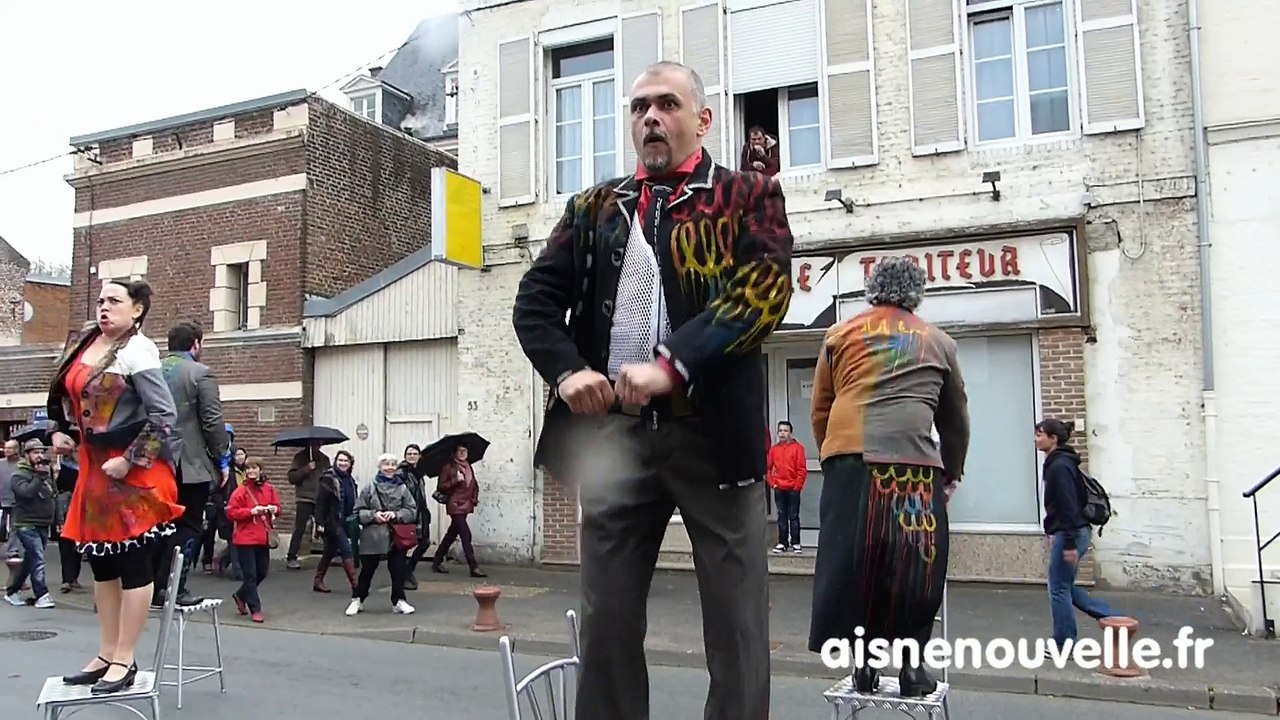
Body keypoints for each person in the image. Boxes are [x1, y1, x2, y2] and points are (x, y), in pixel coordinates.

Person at [512, 60, 793, 720]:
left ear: (702, 119)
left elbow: (764, 294)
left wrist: (675, 364)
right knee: (606, 622)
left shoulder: (748, 196)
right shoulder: (593, 207)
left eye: (666, 104)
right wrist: (566, 369)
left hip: (714, 439)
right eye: (638, 107)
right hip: (617, 439)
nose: (649, 117)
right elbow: (535, 303)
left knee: (736, 629)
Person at [807, 256, 969, 697]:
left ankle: (863, 665)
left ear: (872, 290)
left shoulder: (839, 334)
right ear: (916, 294)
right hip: (913, 467)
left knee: (857, 566)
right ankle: (913, 670)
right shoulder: (938, 342)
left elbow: (821, 408)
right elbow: (955, 420)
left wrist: (833, 457)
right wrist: (951, 472)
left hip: (850, 461)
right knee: (915, 569)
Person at [46, 279, 186, 695]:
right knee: (101, 564)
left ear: (138, 309)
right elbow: (66, 400)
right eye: (101, 300)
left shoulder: (137, 350)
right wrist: (59, 430)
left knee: (132, 566)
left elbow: (165, 416)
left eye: (114, 301)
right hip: (93, 471)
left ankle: (125, 657)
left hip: (132, 475)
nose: (104, 307)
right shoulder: (86, 343)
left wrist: (130, 459)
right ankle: (107, 652)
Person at [155, 321, 230, 607]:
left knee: (157, 525)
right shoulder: (201, 373)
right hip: (188, 464)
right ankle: (174, 588)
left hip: (152, 462)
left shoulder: (151, 370)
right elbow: (213, 422)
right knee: (188, 526)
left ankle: (149, 585)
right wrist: (222, 459)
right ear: (196, 344)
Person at [1035, 418, 1121, 652]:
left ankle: (1065, 643)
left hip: (1071, 532)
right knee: (1064, 585)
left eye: (1040, 434)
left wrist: (1069, 543)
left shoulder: (1060, 466)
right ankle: (1113, 617)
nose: (1036, 438)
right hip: (1068, 531)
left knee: (1058, 588)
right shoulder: (1060, 462)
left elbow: (1069, 506)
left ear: (1053, 439)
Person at [345, 453, 417, 617]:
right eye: (386, 464)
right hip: (373, 536)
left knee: (398, 569)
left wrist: (396, 515)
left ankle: (399, 601)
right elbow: (357, 513)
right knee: (367, 570)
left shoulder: (403, 488)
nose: (390, 467)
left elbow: (412, 511)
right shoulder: (369, 487)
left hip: (396, 536)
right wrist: (373, 515)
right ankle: (357, 599)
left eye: (393, 464)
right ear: (380, 467)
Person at [3, 439, 58, 608]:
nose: (39, 456)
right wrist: (38, 477)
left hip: (43, 522)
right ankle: (42, 595)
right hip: (26, 523)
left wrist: (59, 520)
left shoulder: (44, 473)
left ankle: (13, 591)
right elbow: (26, 493)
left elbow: (53, 496)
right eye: (35, 452)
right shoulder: (19, 474)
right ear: (26, 455)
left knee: (30, 560)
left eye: (41, 452)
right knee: (38, 558)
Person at [225, 458, 279, 624]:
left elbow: (278, 506)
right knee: (250, 575)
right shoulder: (241, 491)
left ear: (260, 469)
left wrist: (274, 509)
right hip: (245, 538)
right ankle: (255, 609)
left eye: (254, 468)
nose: (251, 471)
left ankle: (241, 595)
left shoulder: (269, 489)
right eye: (248, 469)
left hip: (263, 537)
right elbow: (231, 512)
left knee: (262, 572)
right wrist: (251, 511)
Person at [429, 443, 485, 578]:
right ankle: (474, 567)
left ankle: (436, 561)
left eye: (464, 451)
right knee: (466, 535)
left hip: (466, 504)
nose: (462, 453)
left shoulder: (468, 466)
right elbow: (441, 486)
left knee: (451, 534)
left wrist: (474, 499)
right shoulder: (449, 467)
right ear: (454, 453)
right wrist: (455, 480)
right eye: (459, 451)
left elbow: (474, 485)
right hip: (455, 505)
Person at [313, 449, 359, 594]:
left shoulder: (350, 479)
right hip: (332, 520)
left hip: (347, 519)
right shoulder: (328, 478)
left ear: (350, 463)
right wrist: (319, 522)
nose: (343, 463)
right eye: (340, 460)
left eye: (346, 461)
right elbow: (320, 502)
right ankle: (356, 585)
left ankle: (318, 580)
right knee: (346, 549)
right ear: (335, 461)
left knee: (330, 551)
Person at [285, 444, 330, 569]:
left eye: (319, 442)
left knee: (326, 526)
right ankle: (292, 556)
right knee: (300, 529)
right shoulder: (299, 458)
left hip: (320, 498)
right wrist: (307, 469)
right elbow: (292, 478)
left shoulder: (324, 459)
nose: (317, 445)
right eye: (315, 442)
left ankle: (330, 554)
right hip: (304, 498)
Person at [767, 420, 807, 554]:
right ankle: (782, 542)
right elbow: (767, 468)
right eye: (780, 431)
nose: (782, 433)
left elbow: (801, 469)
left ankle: (796, 542)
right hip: (780, 487)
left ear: (790, 433)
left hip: (793, 487)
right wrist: (773, 483)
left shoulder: (798, 448)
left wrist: (797, 486)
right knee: (781, 515)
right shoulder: (774, 450)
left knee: (793, 516)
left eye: (785, 430)